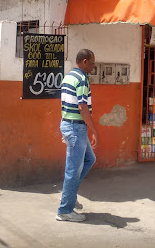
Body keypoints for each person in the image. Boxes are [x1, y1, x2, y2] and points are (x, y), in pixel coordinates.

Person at [56, 49, 98, 222]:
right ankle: (65, 210)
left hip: (70, 125)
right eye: (93, 62)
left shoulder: (68, 76)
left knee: (90, 159)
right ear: (85, 61)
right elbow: (82, 108)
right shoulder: (81, 79)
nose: (94, 66)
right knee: (73, 170)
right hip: (76, 127)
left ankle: (69, 193)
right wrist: (94, 130)